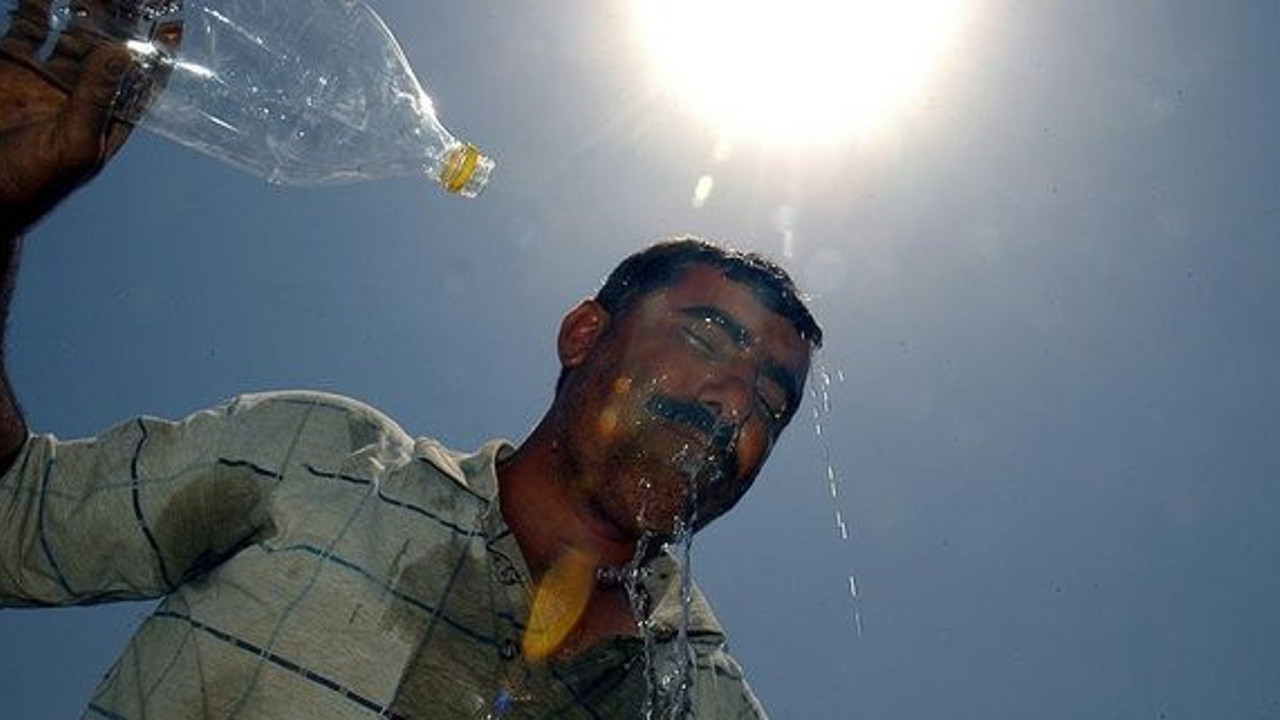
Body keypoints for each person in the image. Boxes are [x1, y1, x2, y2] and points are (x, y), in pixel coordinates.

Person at [0, 5, 823, 718]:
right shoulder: (312, 463)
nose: (734, 401)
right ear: (583, 335)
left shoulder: (703, 702)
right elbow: (16, 520)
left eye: (773, 403)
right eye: (708, 338)